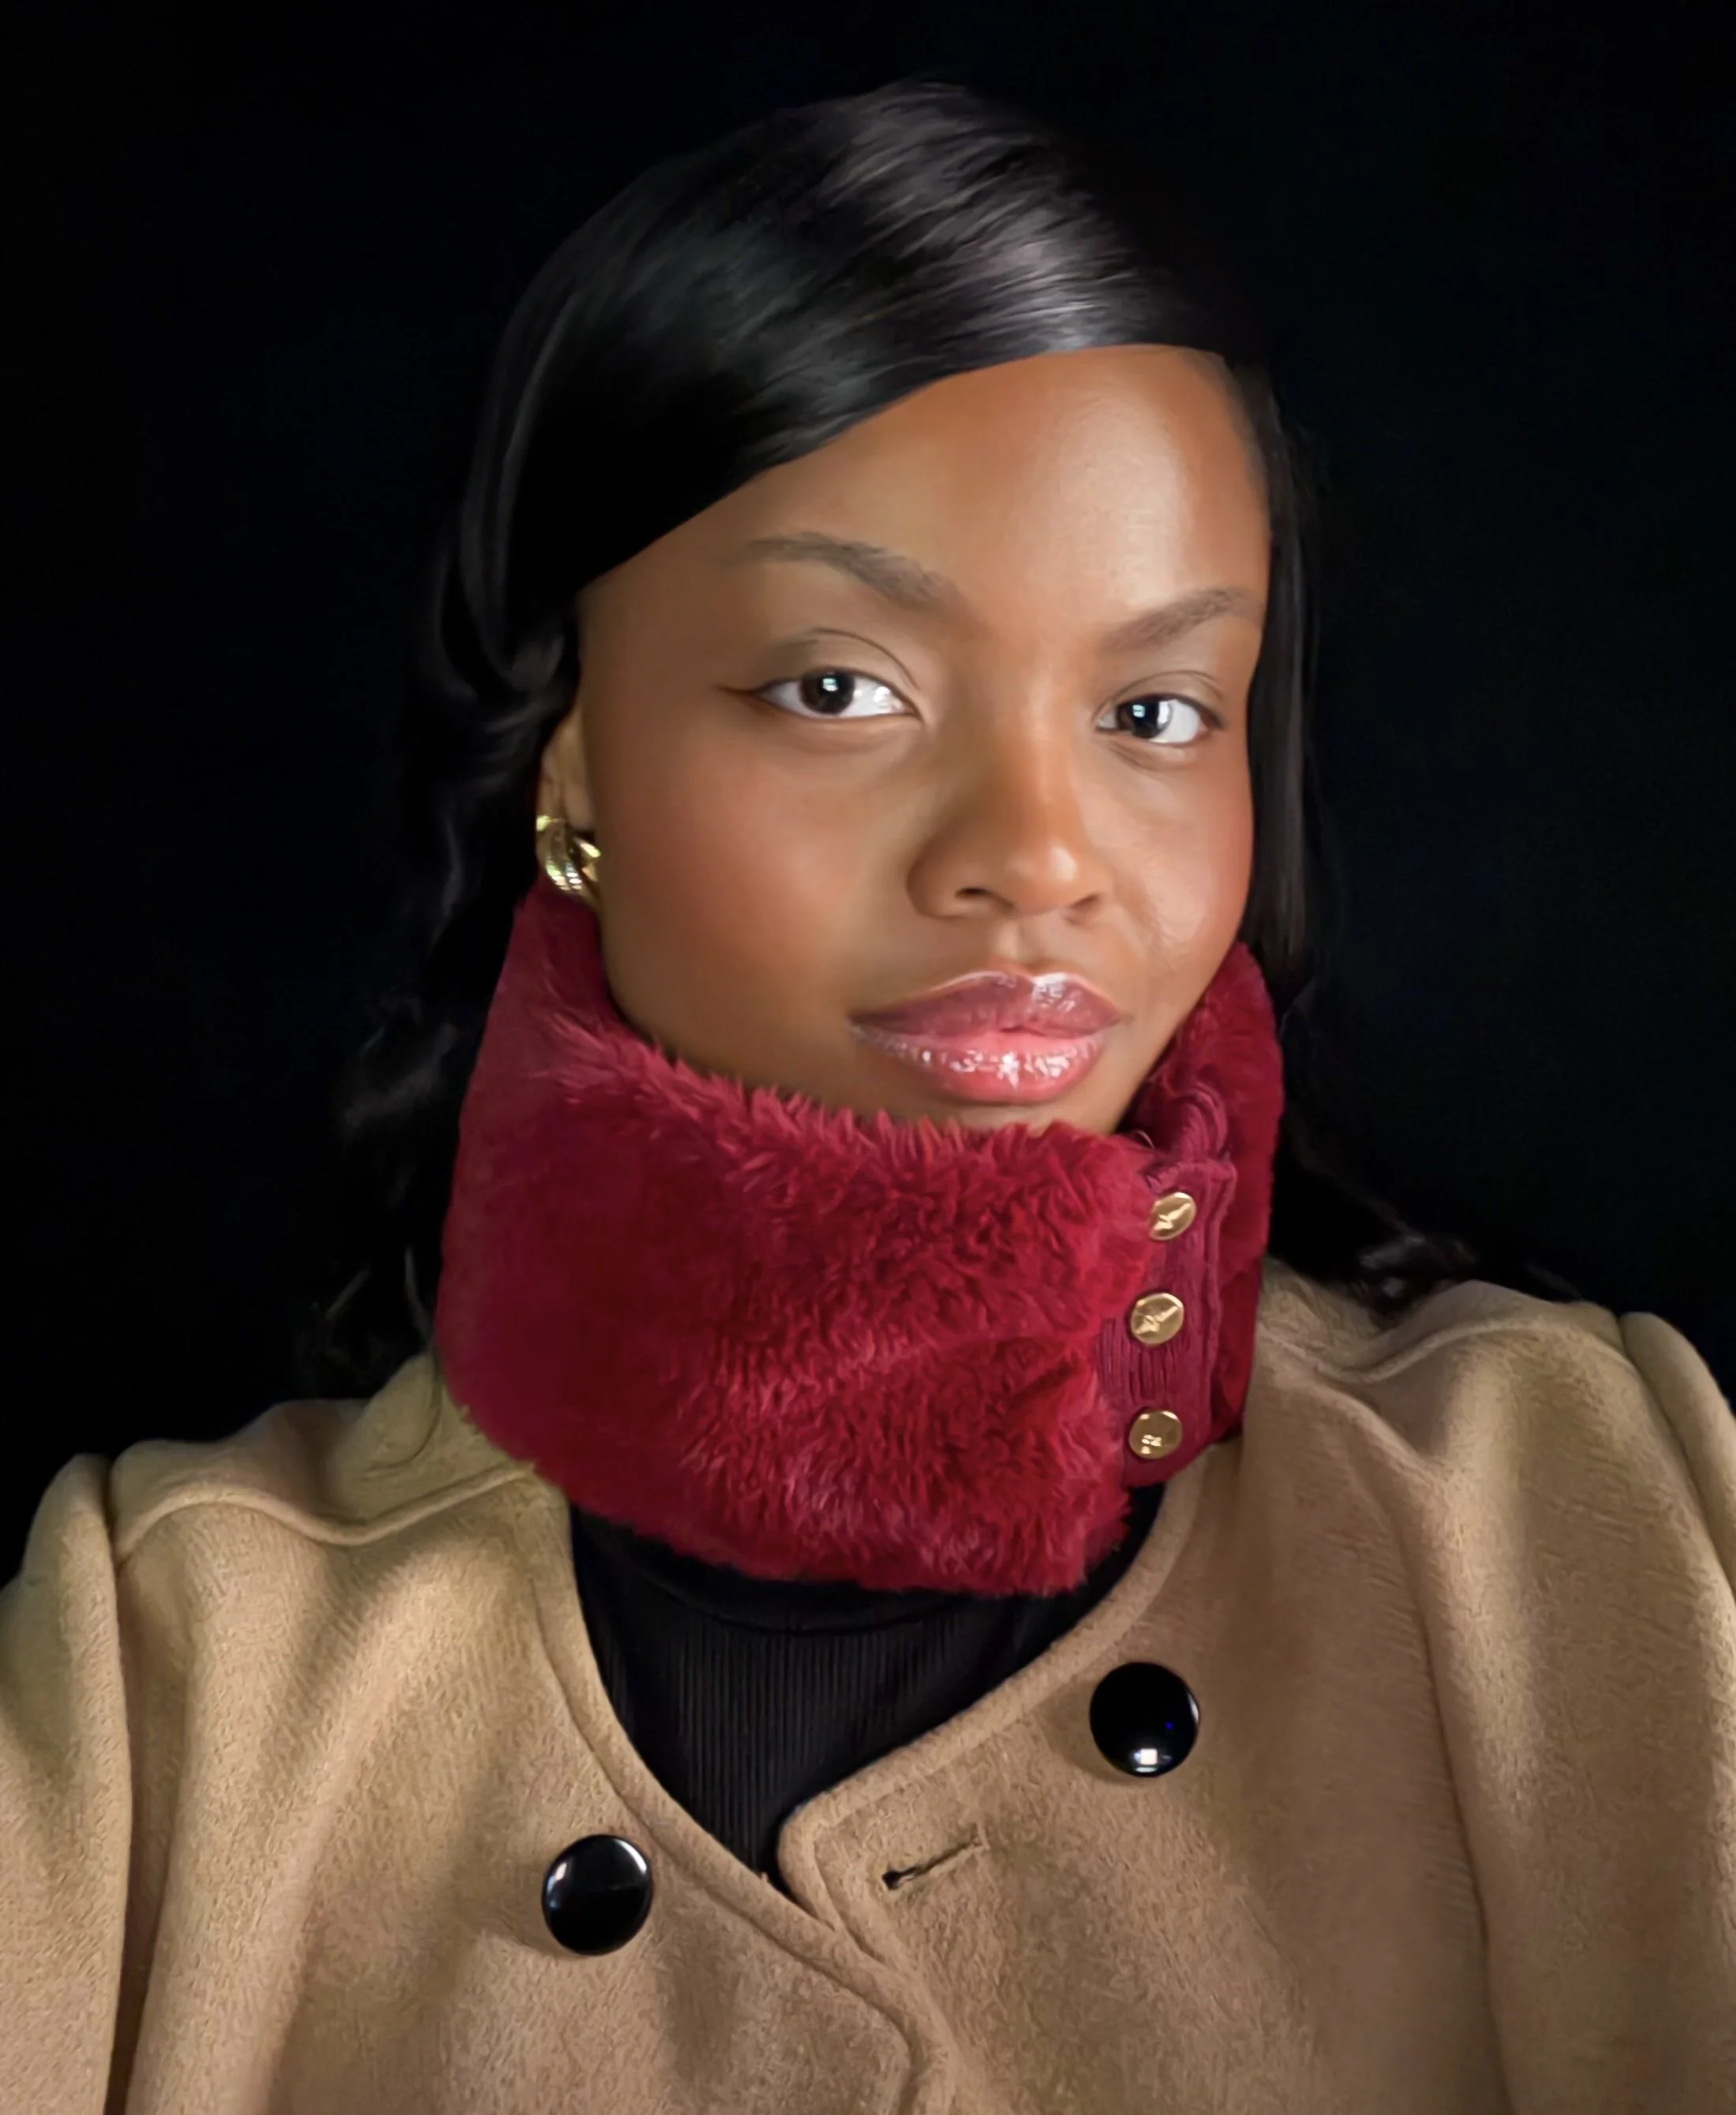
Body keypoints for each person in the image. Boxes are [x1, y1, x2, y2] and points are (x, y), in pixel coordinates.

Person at [3, 77, 1732, 2114]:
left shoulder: (1587, 1524)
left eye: (1155, 709)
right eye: (841, 687)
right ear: (570, 756)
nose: (1037, 852)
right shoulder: (164, 1674)